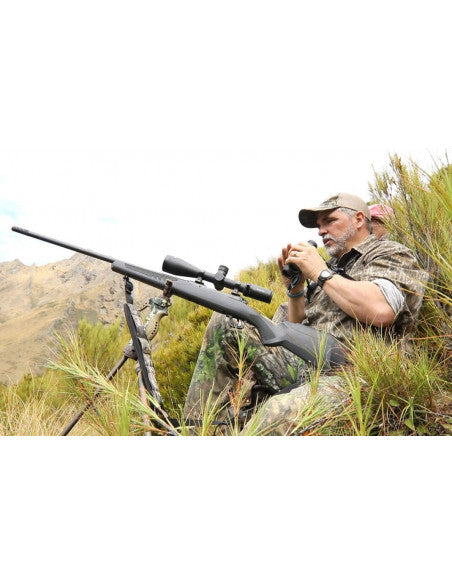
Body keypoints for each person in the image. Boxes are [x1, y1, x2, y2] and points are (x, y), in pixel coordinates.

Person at [183, 193, 428, 434]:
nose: (321, 231)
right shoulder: (330, 271)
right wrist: (296, 289)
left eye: (329, 221)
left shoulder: (390, 253)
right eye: (319, 226)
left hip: (354, 375)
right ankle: (201, 430)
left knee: (275, 413)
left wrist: (320, 272)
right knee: (229, 319)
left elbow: (382, 310)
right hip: (306, 364)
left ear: (359, 220)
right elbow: (293, 328)